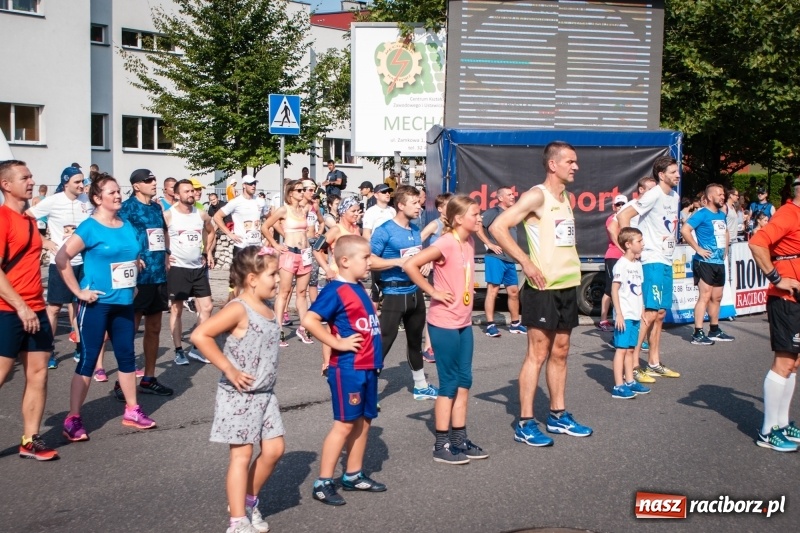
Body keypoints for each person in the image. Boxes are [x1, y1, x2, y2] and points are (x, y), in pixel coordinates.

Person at [490, 141, 593, 447]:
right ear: (552, 164)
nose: (576, 167)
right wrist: (525, 261)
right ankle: (525, 423)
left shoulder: (566, 197)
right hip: (543, 288)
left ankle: (558, 415)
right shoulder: (537, 195)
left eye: (576, 161)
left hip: (567, 285)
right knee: (537, 354)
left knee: (561, 351)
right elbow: (498, 227)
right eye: (570, 162)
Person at [56, 174, 157, 442]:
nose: (118, 195)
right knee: (89, 359)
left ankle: (132, 410)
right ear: (97, 198)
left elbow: (130, 254)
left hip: (124, 303)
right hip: (96, 304)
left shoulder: (126, 224)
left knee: (126, 357)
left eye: (118, 191)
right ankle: (73, 418)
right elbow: (62, 257)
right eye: (111, 192)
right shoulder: (89, 227)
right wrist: (78, 291)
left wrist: (135, 270)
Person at [191, 246, 284, 532]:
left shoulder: (267, 307)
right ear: (252, 279)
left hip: (265, 394)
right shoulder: (238, 308)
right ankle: (237, 521)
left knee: (275, 450)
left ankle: (247, 501)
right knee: (241, 457)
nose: (278, 279)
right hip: (239, 396)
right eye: (273, 274)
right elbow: (200, 335)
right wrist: (228, 368)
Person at [404, 195, 489, 464]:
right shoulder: (446, 242)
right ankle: (441, 445)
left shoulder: (469, 241)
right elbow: (410, 265)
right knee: (449, 383)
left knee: (465, 381)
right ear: (459, 219)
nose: (479, 218)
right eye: (475, 214)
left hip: (463, 322)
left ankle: (459, 439)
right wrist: (432, 292)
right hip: (444, 323)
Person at [302, 235, 386, 505]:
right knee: (344, 424)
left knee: (364, 421)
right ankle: (323, 482)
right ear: (345, 261)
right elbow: (310, 320)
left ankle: (353, 474)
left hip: (368, 367)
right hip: (348, 368)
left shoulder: (358, 286)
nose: (370, 262)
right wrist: (337, 343)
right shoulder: (335, 290)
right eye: (366, 257)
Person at [0, 160, 59, 461]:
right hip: (8, 310)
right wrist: (21, 307)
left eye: (31, 176)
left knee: (38, 374)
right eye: (25, 177)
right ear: (6, 184)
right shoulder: (2, 219)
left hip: (35, 306)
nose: (32, 181)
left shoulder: (29, 219)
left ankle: (30, 440)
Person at [369, 185, 439, 401]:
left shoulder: (415, 230)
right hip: (394, 293)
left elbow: (417, 256)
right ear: (400, 205)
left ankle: (420, 387)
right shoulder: (384, 230)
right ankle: (367, 391)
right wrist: (398, 262)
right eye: (414, 203)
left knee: (415, 342)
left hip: (415, 293)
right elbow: (369, 260)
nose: (419, 207)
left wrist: (425, 263)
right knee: (384, 342)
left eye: (419, 203)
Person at [616, 156, 682, 383]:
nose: (678, 175)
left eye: (677, 171)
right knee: (650, 312)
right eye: (673, 172)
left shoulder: (674, 196)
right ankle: (634, 364)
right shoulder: (653, 194)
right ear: (661, 175)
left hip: (667, 259)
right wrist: (629, 249)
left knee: (661, 313)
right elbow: (623, 215)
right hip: (651, 259)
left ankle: (653, 362)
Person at [748, 176, 800, 452]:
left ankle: (782, 422)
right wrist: (777, 278)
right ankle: (768, 432)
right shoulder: (788, 213)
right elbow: (757, 243)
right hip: (785, 299)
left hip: (796, 298)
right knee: (784, 361)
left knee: (794, 363)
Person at [27, 166, 93, 369]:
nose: (81, 185)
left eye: (82, 181)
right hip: (61, 263)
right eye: (77, 182)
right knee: (54, 308)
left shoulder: (87, 201)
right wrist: (43, 241)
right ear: (66, 183)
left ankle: (80, 346)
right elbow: (26, 217)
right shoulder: (53, 201)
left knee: (79, 306)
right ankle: (48, 349)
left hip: (84, 262)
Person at [117, 169, 174, 398]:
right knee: (130, 329)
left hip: (158, 274)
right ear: (136, 185)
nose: (154, 182)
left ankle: (149, 378)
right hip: (138, 277)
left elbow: (163, 232)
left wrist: (167, 254)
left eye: (154, 179)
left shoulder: (156, 208)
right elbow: (120, 236)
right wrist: (131, 257)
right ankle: (123, 381)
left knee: (154, 328)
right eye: (148, 180)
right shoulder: (127, 208)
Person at [165, 179, 217, 365]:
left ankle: (196, 347)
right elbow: (158, 236)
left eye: (192, 191)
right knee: (176, 309)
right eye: (186, 191)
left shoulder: (200, 214)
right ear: (177, 195)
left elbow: (211, 231)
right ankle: (179, 350)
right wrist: (165, 255)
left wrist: (207, 252)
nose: (191, 194)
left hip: (198, 268)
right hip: (178, 268)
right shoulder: (168, 215)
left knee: (207, 307)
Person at [260, 180, 314, 345]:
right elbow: (265, 226)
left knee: (302, 292)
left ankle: (303, 327)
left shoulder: (304, 209)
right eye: (299, 190)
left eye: (303, 190)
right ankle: (278, 329)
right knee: (284, 292)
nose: (302, 192)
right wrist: (275, 244)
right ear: (290, 193)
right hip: (289, 253)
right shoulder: (284, 209)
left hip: (304, 254)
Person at [680, 183, 735, 345]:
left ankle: (714, 329)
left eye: (723, 194)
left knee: (717, 297)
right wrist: (698, 249)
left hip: (719, 261)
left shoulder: (721, 214)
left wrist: (726, 248)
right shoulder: (701, 214)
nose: (723, 197)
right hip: (704, 262)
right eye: (719, 194)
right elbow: (685, 230)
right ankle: (697, 333)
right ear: (710, 197)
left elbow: (725, 231)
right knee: (704, 296)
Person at [477, 186, 525, 337]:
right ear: (500, 198)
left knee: (514, 292)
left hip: (509, 259)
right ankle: (490, 325)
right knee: (493, 290)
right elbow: (478, 226)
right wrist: (489, 244)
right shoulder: (493, 212)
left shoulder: (511, 213)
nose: (513, 196)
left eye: (513, 194)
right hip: (495, 258)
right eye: (509, 194)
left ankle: (515, 324)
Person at [609, 227, 650, 399]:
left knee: (631, 349)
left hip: (635, 314)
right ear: (628, 244)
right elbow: (614, 290)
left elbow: (638, 289)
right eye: (639, 241)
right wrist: (619, 314)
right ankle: (618, 386)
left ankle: (630, 381)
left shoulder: (638, 265)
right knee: (621, 350)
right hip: (624, 315)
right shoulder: (621, 264)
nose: (643, 244)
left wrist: (642, 310)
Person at [597, 194, 628, 332]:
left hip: (626, 258)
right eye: (618, 204)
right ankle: (603, 320)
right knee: (610, 289)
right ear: (613, 206)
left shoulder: (628, 218)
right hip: (613, 256)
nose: (620, 207)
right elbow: (612, 232)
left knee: (623, 289)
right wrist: (622, 249)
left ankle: (620, 318)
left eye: (623, 204)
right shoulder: (612, 219)